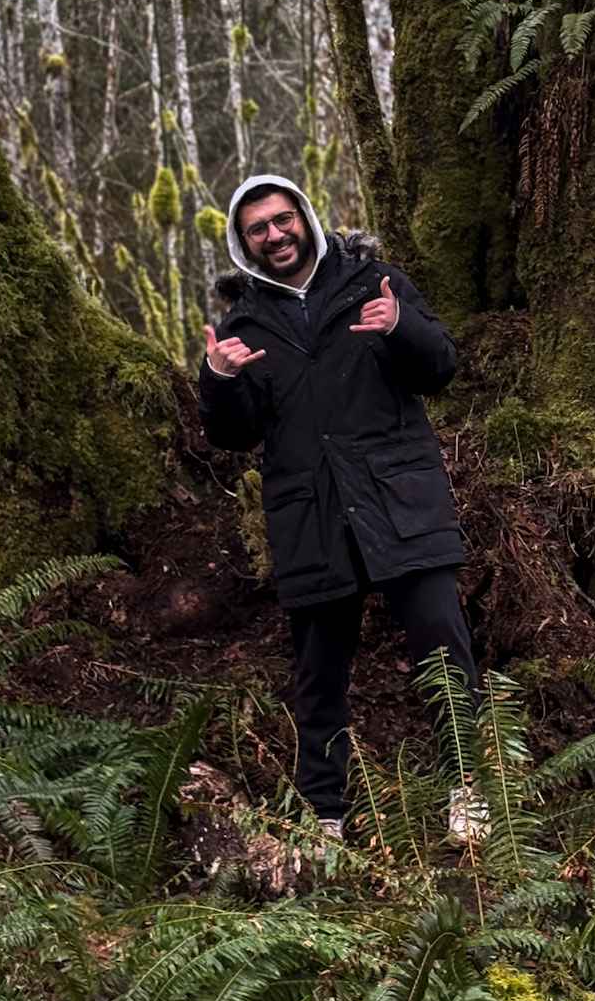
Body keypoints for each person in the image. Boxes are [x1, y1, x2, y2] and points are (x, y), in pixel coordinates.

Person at [199, 173, 483, 845]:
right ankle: (326, 813)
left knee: (444, 653)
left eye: (281, 219)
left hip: (400, 504)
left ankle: (471, 790)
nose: (275, 235)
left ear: (304, 215)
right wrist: (218, 381)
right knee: (319, 677)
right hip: (311, 519)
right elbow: (234, 434)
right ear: (245, 245)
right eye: (257, 229)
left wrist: (400, 326)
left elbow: (441, 367)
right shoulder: (244, 323)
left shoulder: (371, 282)